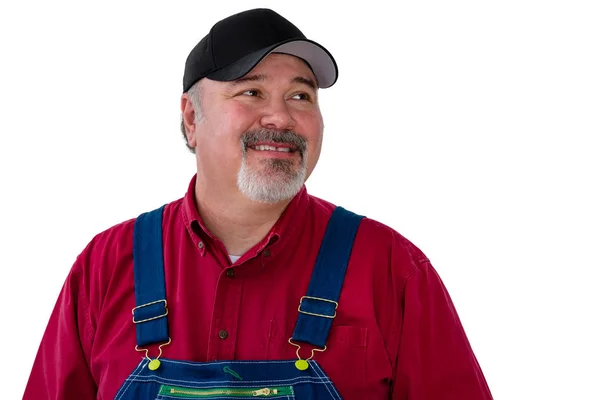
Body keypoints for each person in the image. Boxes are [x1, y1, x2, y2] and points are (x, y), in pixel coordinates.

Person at [24, 8, 493, 400]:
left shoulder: (393, 270)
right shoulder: (104, 268)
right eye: (251, 91)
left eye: (300, 95)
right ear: (191, 118)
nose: (281, 117)